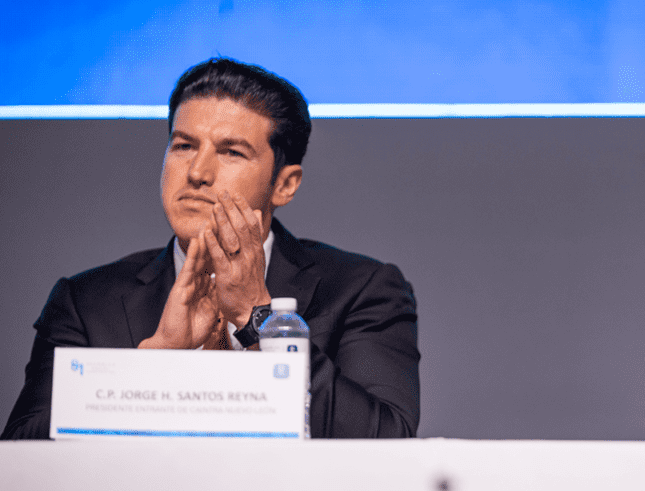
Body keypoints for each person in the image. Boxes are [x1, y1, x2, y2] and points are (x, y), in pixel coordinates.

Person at [2, 58, 420, 439]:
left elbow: (387, 439)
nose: (197, 173)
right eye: (183, 146)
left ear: (285, 184)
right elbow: (21, 452)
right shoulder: (86, 301)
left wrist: (258, 319)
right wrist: (154, 363)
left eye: (231, 151)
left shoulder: (362, 289)